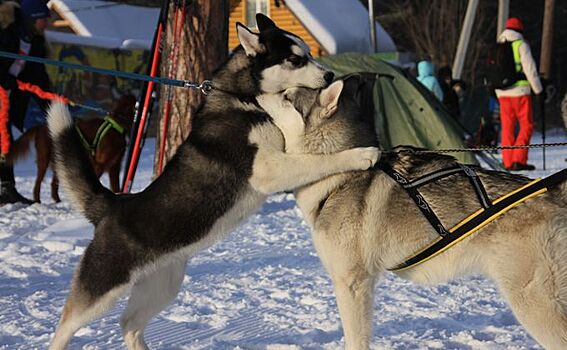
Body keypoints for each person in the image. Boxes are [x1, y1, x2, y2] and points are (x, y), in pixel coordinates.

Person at [0, 0, 51, 205]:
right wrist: (7, 80)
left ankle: (6, 188)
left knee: (5, 142)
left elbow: (38, 78)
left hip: (10, 100)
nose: (46, 23)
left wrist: (51, 104)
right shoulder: (6, 37)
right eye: (42, 19)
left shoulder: (35, 44)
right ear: (31, 18)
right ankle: (6, 187)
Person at [494, 17, 543, 171]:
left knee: (507, 127)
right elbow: (530, 70)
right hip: (521, 93)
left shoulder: (498, 46)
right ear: (520, 30)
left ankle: (508, 162)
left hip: (502, 93)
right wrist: (538, 90)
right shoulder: (521, 45)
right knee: (526, 125)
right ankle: (519, 160)